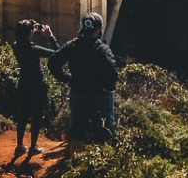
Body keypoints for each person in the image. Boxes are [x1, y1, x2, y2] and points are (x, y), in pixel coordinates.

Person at [48, 12, 119, 146]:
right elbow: (113, 72)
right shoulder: (103, 50)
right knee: (104, 133)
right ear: (98, 30)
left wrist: (67, 78)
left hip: (78, 93)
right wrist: (107, 87)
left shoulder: (73, 45)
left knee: (77, 132)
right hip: (99, 96)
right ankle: (101, 161)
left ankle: (75, 161)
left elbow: (53, 62)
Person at [10, 19, 59, 159]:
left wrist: (33, 30)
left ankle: (19, 146)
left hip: (24, 84)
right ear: (29, 33)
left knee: (23, 116)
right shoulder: (35, 50)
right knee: (36, 117)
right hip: (38, 85)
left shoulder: (16, 46)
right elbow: (58, 53)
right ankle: (33, 147)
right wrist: (50, 37)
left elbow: (24, 38)